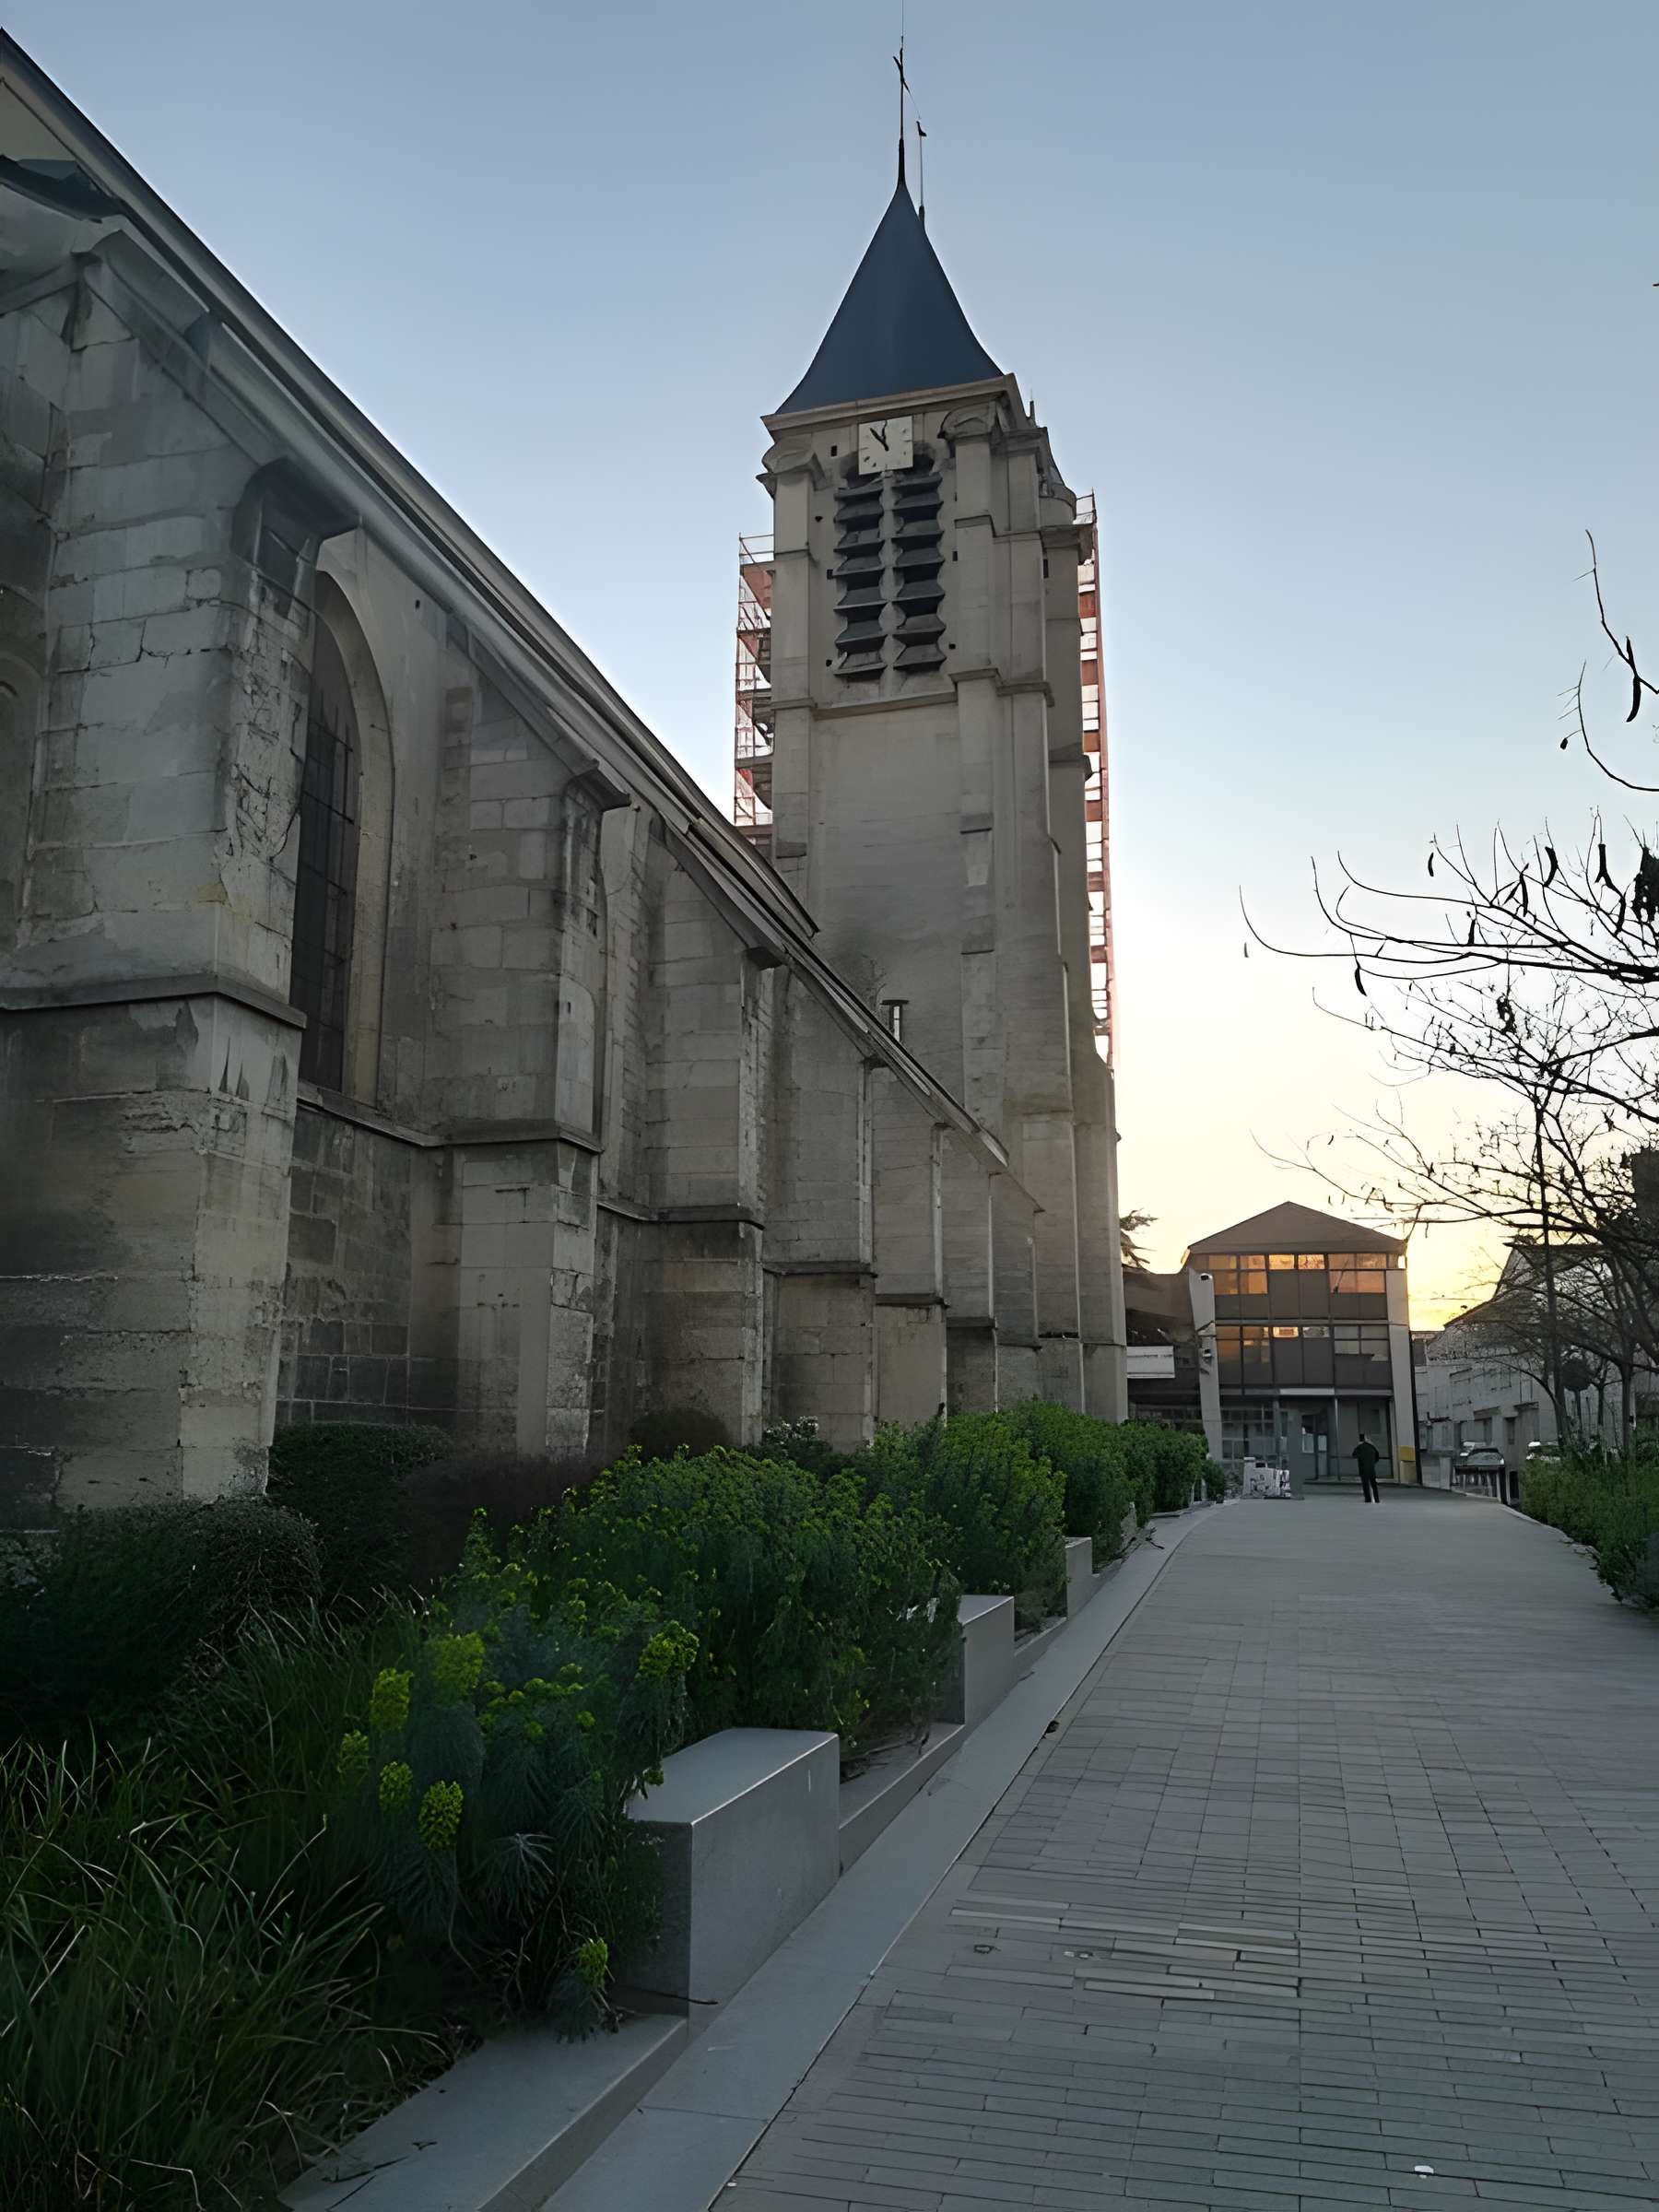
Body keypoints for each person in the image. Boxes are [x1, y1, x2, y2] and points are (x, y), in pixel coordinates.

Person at [1354, 1434, 1382, 1504]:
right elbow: (1377, 1457)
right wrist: (1372, 1463)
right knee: (1374, 1484)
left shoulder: (1359, 1447)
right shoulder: (1372, 1446)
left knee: (1365, 1485)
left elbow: (1354, 1455)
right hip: (1371, 1469)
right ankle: (1377, 1499)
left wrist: (1358, 1447)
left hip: (1363, 1469)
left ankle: (1368, 1499)